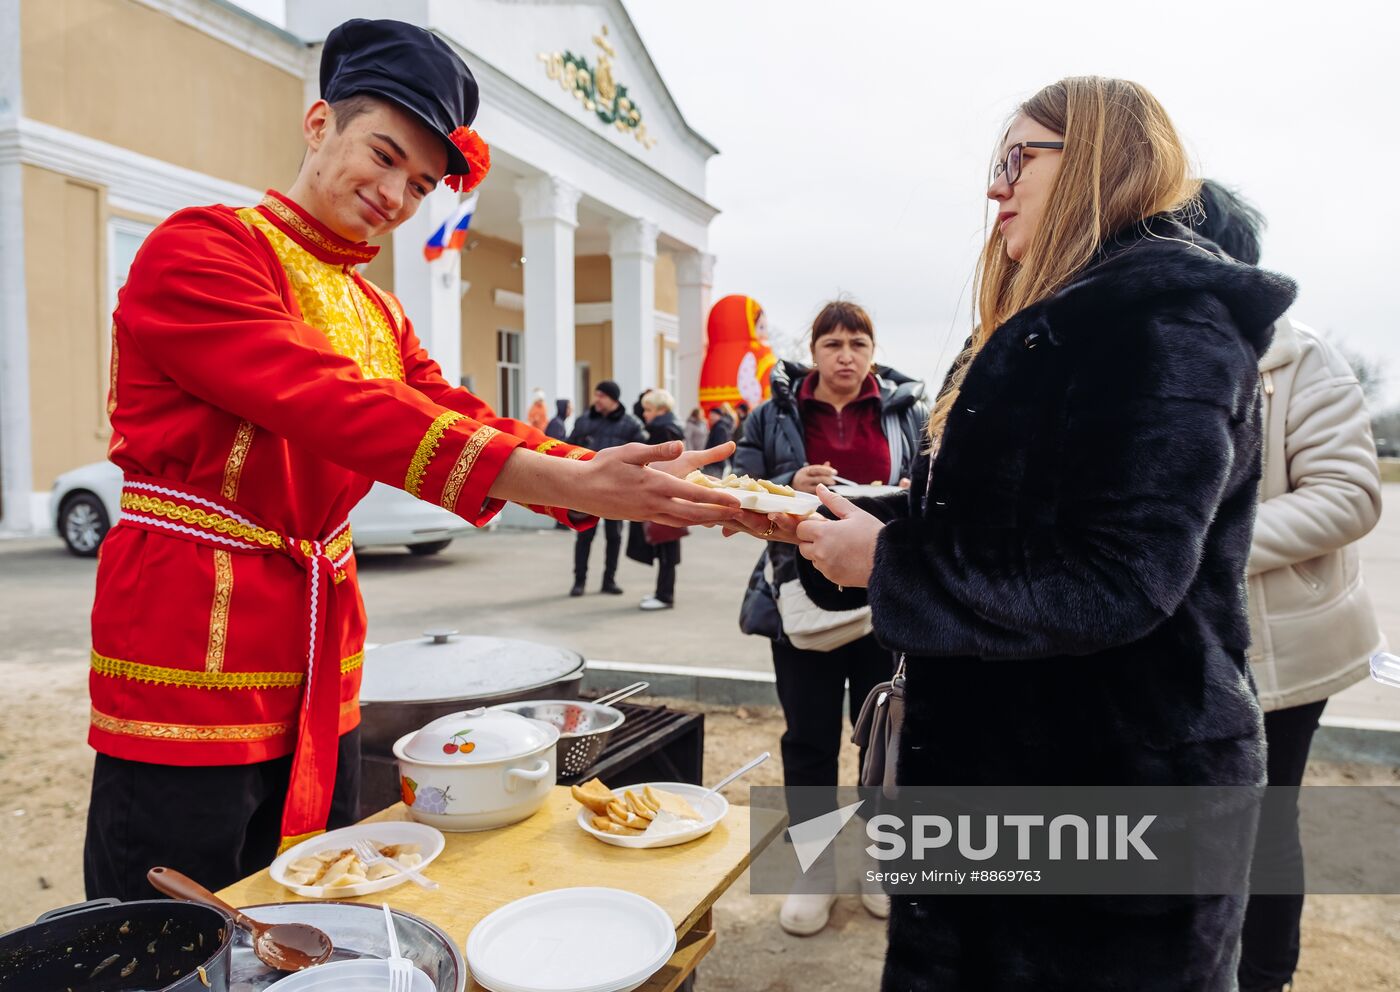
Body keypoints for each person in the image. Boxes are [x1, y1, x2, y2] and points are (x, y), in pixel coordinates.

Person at [83, 18, 739, 902]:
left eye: (422, 182)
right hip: (192, 639)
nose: (396, 194)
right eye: (384, 155)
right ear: (319, 125)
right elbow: (330, 400)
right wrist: (568, 480)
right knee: (170, 921)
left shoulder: (378, 311)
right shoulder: (203, 249)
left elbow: (450, 413)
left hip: (322, 647)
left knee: (302, 892)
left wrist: (616, 483)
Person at [744, 77, 1297, 990]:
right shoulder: (1055, 318)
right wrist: (828, 518)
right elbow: (1007, 514)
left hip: (1117, 790)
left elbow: (1118, 577)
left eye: (1017, 159)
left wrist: (890, 566)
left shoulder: (1162, 323)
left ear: (1097, 160)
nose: (995, 190)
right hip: (1019, 767)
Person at [1185, 180, 1386, 992]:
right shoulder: (1154, 356)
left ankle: (1267, 975)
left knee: (1268, 823)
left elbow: (1350, 494)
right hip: (1179, 642)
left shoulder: (1301, 356)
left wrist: (1206, 546)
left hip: (1285, 651)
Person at [736, 299, 927, 935]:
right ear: (813, 351)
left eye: (858, 343)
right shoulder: (773, 413)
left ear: (873, 352)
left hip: (886, 601)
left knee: (884, 740)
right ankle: (814, 870)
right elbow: (738, 485)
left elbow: (935, 489)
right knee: (809, 740)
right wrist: (791, 481)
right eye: (833, 343)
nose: (846, 355)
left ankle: (879, 864)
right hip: (800, 602)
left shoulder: (909, 413)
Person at [567, 381, 645, 596]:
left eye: (601, 395)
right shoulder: (584, 421)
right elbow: (569, 447)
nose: (597, 400)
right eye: (596, 395)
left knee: (614, 536)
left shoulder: (631, 424)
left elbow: (643, 453)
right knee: (584, 535)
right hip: (586, 489)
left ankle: (609, 580)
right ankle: (579, 581)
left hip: (616, 491)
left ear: (613, 399)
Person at [633, 389, 688, 611]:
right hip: (669, 493)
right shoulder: (668, 427)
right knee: (666, 548)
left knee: (666, 548)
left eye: (648, 409)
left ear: (661, 410)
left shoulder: (662, 430)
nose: (644, 414)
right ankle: (662, 592)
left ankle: (665, 595)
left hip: (665, 494)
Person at [701, 406, 734, 477]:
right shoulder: (720, 426)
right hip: (716, 464)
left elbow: (718, 447)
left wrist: (708, 459)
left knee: (712, 485)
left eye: (712, 415)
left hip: (714, 464)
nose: (710, 417)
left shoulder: (720, 428)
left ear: (718, 415)